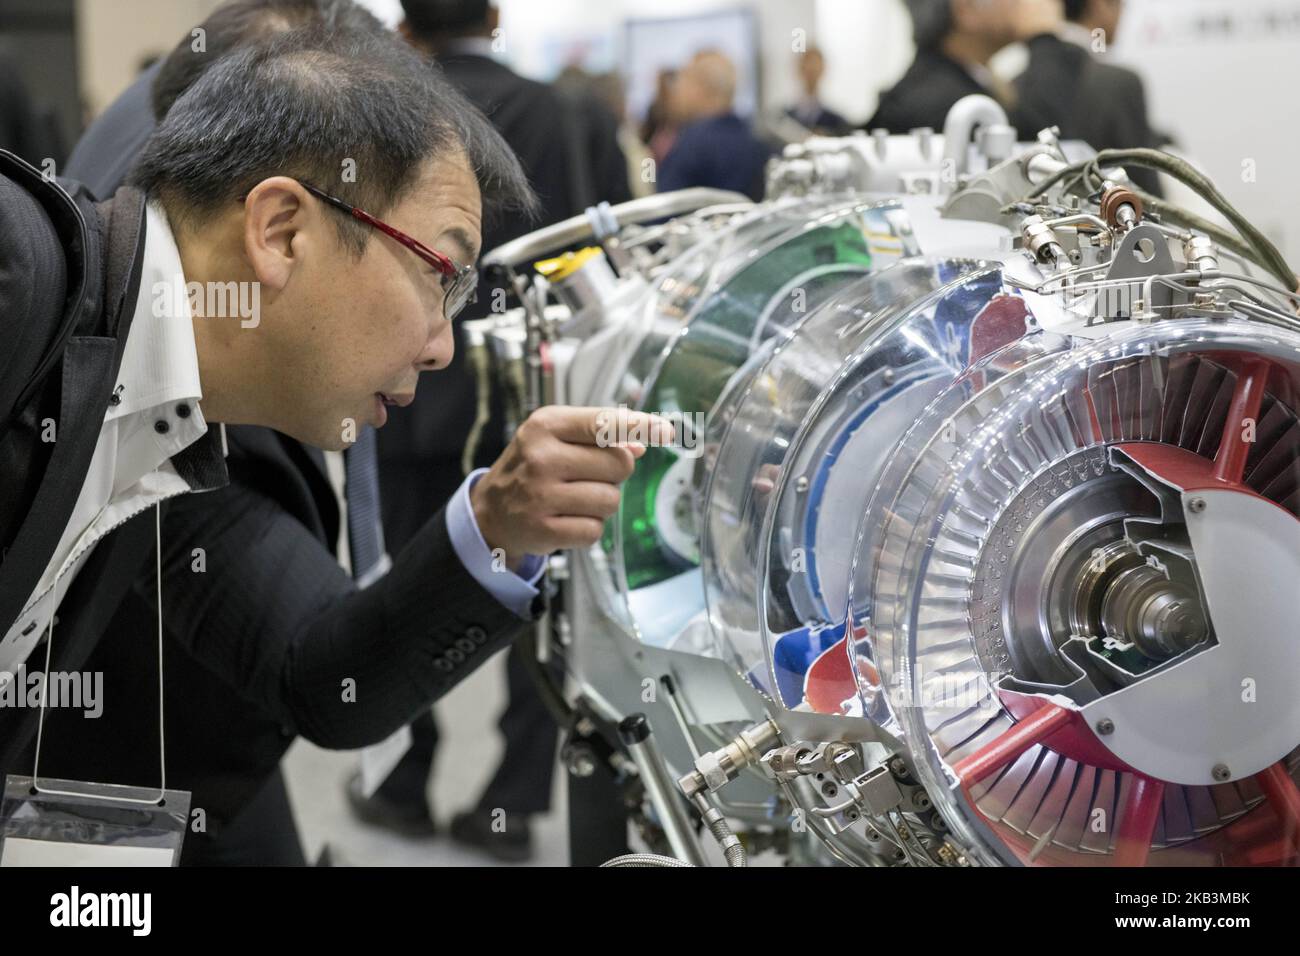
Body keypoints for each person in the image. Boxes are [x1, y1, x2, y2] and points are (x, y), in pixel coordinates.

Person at [0, 22, 668, 866]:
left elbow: (319, 674)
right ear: (281, 231)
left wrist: (500, 525)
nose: (443, 345)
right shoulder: (17, 272)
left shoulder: (178, 430)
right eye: (441, 275)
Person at [343, 0, 623, 864]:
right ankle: (510, 803)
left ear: (406, 24)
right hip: (520, 403)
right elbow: (575, 256)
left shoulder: (386, 106)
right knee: (536, 605)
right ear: (496, 15)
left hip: (402, 387)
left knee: (399, 587)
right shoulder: (556, 111)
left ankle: (401, 782)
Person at [870, 0, 1088, 139]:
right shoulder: (936, 101)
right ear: (966, 9)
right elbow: (1033, 144)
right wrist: (1044, 39)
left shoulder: (957, 80)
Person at [1055, 0, 1164, 195]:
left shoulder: (1014, 80)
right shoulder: (1120, 83)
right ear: (1099, 5)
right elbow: (1147, 191)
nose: (1122, 15)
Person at [657, 50, 772, 201]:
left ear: (700, 88)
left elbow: (665, 211)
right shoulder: (755, 139)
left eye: (682, 81)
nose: (677, 92)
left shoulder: (691, 146)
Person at [786, 46, 851, 136]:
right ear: (799, 69)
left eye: (815, 68)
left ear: (823, 70)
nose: (811, 72)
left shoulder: (836, 122)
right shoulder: (785, 118)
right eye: (807, 67)